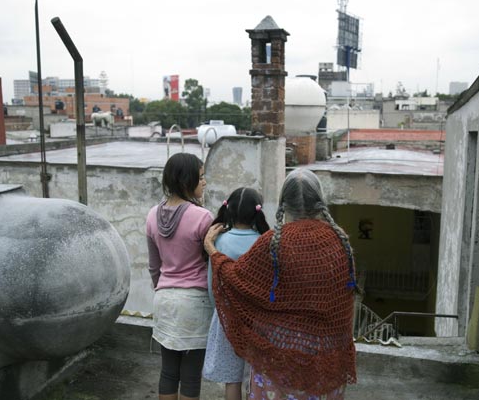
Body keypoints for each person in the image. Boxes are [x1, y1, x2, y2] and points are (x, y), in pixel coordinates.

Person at [204, 168, 358, 399]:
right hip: (326, 354)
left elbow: (236, 281)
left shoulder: (272, 243)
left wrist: (212, 251)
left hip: (278, 355)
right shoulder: (340, 242)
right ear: (320, 201)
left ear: (283, 203)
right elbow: (347, 303)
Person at [146, 152, 213, 400]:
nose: (205, 182)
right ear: (187, 181)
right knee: (191, 376)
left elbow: (154, 266)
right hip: (195, 304)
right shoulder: (203, 217)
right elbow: (213, 262)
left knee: (168, 372)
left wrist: (163, 287)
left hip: (163, 300)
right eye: (201, 177)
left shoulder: (152, 215)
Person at [202, 187, 270, 400]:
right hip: (258, 321)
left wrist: (219, 311)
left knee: (232, 379)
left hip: (227, 319)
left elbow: (213, 286)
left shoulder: (219, 242)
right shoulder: (264, 242)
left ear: (228, 210)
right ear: (258, 212)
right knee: (256, 376)